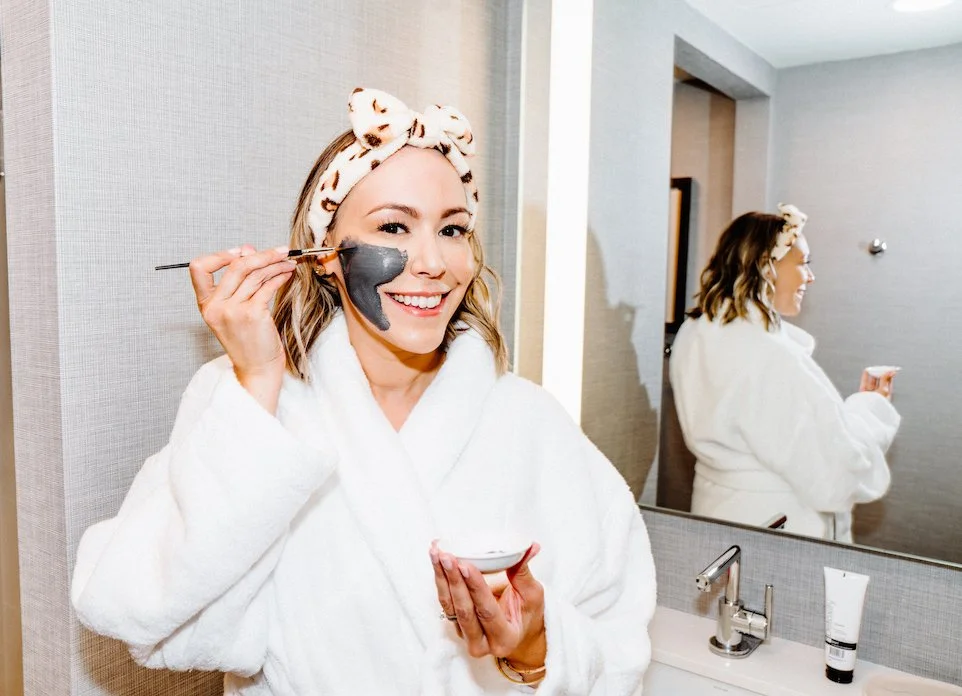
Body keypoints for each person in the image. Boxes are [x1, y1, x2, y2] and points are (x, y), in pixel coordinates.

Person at [70, 88, 656, 695]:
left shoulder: (531, 423)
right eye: (395, 226)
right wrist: (259, 381)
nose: (432, 261)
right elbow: (158, 622)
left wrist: (535, 650)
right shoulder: (250, 405)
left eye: (452, 229)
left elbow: (618, 640)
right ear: (324, 254)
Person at [669, 204, 900, 543]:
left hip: (718, 515)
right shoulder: (770, 357)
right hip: (778, 530)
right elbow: (835, 471)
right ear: (766, 267)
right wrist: (871, 407)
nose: (810, 276)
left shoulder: (697, 333)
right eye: (804, 263)